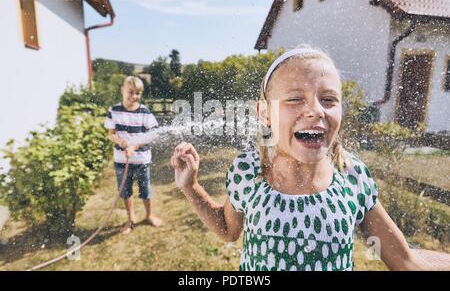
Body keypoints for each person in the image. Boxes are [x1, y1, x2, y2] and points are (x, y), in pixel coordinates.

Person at [170, 46, 450, 270]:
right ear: (264, 113)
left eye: (328, 99)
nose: (316, 111)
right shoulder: (248, 171)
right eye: (294, 99)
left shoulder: (352, 176)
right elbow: (229, 230)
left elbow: (404, 261)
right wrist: (190, 186)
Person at [105, 76, 162, 234]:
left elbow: (152, 133)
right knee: (125, 191)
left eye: (138, 93)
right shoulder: (114, 110)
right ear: (122, 90)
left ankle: (149, 215)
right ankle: (131, 220)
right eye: (131, 92)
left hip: (141, 159)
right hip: (121, 160)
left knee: (145, 190)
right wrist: (120, 141)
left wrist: (134, 146)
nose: (134, 96)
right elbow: (110, 134)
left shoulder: (144, 112)